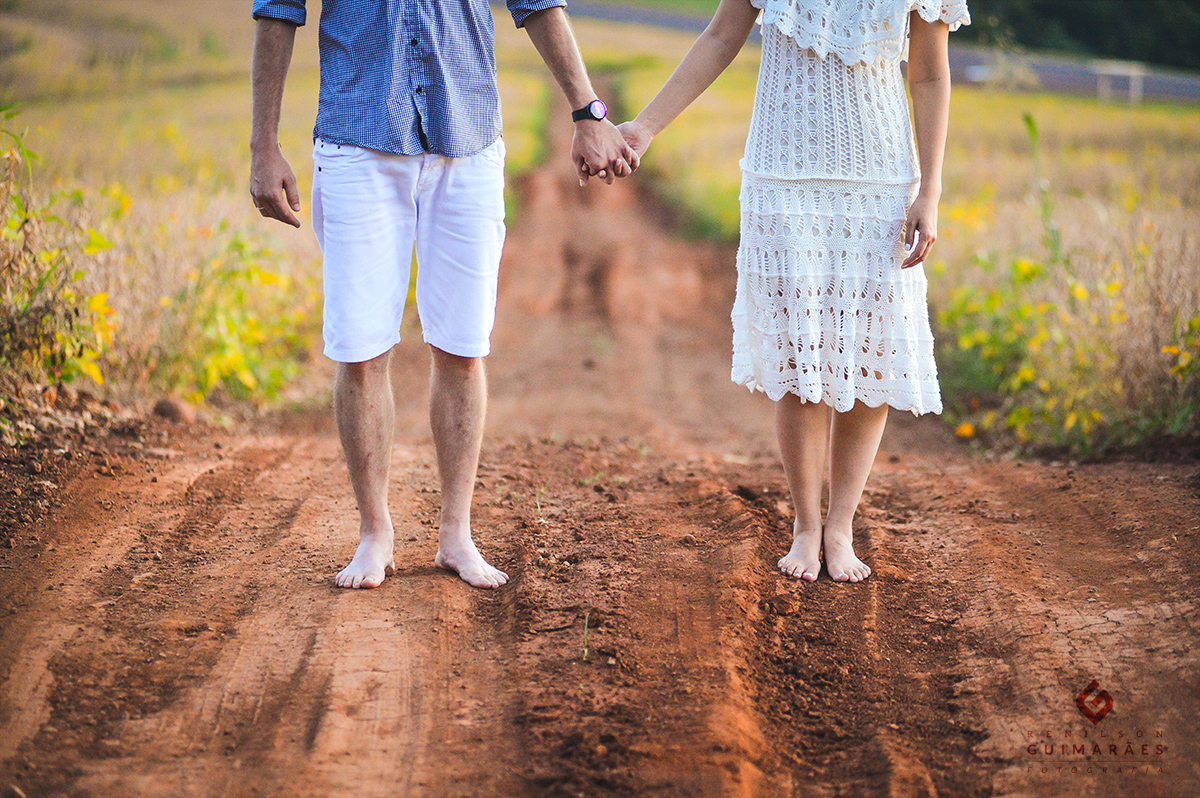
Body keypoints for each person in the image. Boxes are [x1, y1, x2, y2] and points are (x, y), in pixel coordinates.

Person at [249, 0, 638, 589]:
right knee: (359, 349)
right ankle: (374, 533)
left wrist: (588, 112)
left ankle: (456, 534)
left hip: (468, 141)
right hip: (357, 142)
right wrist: (263, 146)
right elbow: (277, 9)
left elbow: (538, 3)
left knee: (463, 345)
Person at [618, 0, 969, 582]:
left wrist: (930, 191)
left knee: (869, 353)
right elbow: (721, 34)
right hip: (782, 173)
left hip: (881, 180)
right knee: (800, 355)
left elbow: (931, 73)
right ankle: (807, 526)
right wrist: (645, 127)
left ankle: (841, 527)